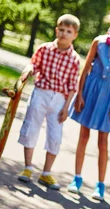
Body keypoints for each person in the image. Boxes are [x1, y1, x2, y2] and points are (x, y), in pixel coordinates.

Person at [66, 3, 110, 200]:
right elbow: (85, 68)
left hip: (108, 97)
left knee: (103, 142)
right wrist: (79, 95)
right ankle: (77, 178)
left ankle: (100, 185)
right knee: (83, 136)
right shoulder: (99, 42)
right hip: (91, 91)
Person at [17, 14, 81, 190]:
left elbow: (72, 86)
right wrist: (28, 69)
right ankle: (27, 168)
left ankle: (46, 173)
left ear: (75, 35)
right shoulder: (44, 49)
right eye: (61, 30)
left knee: (55, 136)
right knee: (31, 128)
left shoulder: (74, 59)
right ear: (56, 30)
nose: (64, 34)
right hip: (41, 93)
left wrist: (66, 107)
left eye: (69, 31)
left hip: (59, 100)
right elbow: (33, 64)